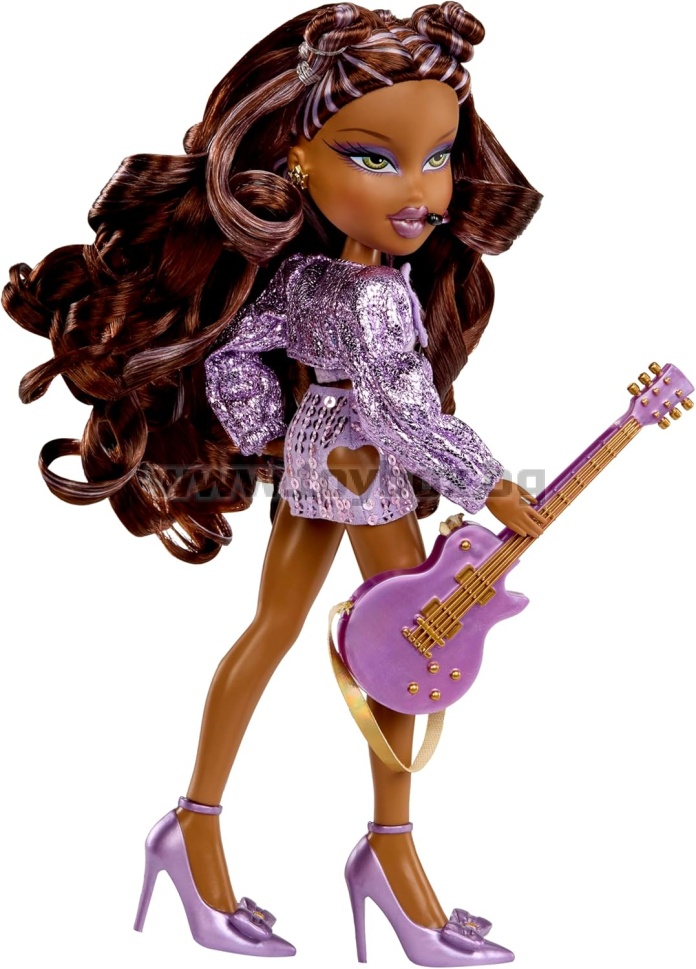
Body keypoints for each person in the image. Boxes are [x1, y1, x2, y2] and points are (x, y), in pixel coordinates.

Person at [3, 4, 543, 964]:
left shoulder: (308, 281)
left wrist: (277, 439)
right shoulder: (373, 297)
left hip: (318, 463)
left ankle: (196, 828)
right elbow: (398, 413)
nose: (419, 190)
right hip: (365, 471)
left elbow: (237, 350)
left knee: (291, 632)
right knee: (411, 644)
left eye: (438, 158)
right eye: (374, 158)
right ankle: (386, 854)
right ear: (297, 160)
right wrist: (490, 484)